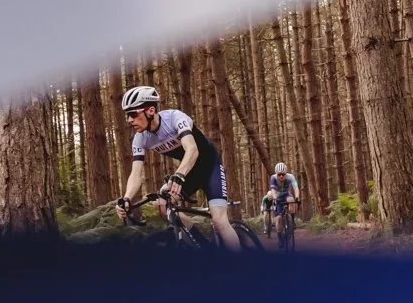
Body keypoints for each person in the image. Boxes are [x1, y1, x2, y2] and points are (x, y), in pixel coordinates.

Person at [114, 86, 241, 251]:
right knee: (162, 204)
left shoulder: (175, 118)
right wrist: (126, 199)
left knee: (219, 221)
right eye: (127, 115)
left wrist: (179, 174)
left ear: (150, 110)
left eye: (133, 114)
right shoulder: (140, 139)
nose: (129, 120)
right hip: (190, 172)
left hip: (210, 167)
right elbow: (136, 173)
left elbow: (192, 150)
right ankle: (205, 247)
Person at [264, 162, 300, 244]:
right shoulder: (273, 178)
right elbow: (272, 190)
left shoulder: (290, 177)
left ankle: (292, 219)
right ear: (276, 174)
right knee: (278, 218)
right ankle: (280, 237)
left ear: (286, 173)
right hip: (277, 196)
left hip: (286, 194)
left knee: (291, 200)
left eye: (283, 174)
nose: (281, 176)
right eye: (279, 174)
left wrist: (297, 197)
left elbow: (296, 188)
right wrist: (275, 198)